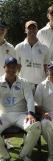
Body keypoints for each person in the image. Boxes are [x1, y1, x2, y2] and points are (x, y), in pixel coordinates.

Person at [0, 57, 41, 161]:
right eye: (9, 66)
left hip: (21, 114)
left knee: (36, 127)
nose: (11, 69)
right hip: (4, 115)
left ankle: (24, 154)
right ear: (4, 67)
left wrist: (30, 114)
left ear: (17, 68)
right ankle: (4, 156)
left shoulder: (24, 82)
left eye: (14, 67)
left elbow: (30, 99)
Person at [15, 20, 49, 90]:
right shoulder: (19, 47)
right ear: (25, 30)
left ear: (37, 30)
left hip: (40, 85)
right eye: (29, 28)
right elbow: (17, 67)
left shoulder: (44, 48)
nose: (32, 30)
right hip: (24, 85)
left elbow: (46, 67)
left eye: (34, 28)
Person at [0, 20, 16, 149]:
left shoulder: (10, 48)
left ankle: (8, 142)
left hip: (6, 83)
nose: (1, 30)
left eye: (3, 28)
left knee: (6, 112)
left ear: (6, 30)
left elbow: (15, 65)